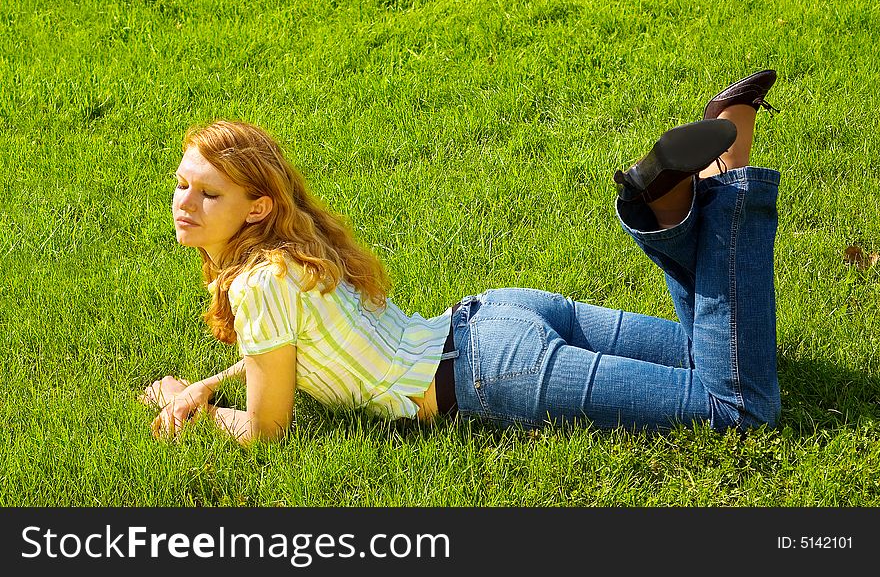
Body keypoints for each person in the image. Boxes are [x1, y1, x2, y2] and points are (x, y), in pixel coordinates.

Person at [141, 70, 783, 445]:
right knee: (722, 355)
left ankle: (716, 191)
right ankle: (685, 197)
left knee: (740, 407)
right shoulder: (294, 248)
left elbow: (267, 426)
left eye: (207, 192)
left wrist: (193, 408)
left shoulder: (256, 286)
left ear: (255, 208)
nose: (184, 202)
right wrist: (210, 382)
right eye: (182, 185)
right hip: (498, 315)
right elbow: (281, 346)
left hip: (494, 372)